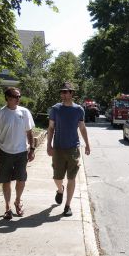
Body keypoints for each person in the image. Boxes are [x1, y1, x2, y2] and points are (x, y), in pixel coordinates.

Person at [0, 87, 35, 220]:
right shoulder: (0, 113)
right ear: (8, 98)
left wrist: (31, 149)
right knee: (6, 180)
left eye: (19, 96)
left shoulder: (25, 112)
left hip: (21, 152)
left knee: (21, 179)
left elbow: (29, 132)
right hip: (5, 152)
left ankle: (18, 201)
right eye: (16, 96)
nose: (18, 99)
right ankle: (8, 207)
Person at [47, 82, 91, 217]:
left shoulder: (79, 110)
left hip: (73, 148)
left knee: (71, 178)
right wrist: (49, 145)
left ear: (72, 93)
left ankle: (67, 206)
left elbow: (82, 128)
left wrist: (87, 144)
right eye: (62, 92)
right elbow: (51, 128)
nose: (63, 94)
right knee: (57, 177)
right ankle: (60, 190)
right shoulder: (55, 109)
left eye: (66, 92)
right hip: (59, 148)